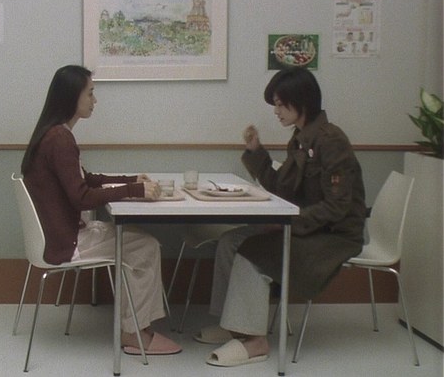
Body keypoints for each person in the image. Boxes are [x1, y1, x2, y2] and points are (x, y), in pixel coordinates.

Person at [198, 67, 366, 367]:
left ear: (301, 101)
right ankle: (232, 325)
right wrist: (255, 151)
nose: (276, 111)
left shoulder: (331, 140)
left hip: (332, 236)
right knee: (230, 241)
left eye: (280, 104)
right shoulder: (301, 140)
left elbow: (337, 207)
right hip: (306, 227)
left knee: (252, 251)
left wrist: (289, 222)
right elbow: (282, 189)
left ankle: (254, 341)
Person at [20, 65, 181, 356]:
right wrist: (135, 191)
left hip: (59, 235)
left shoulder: (53, 134)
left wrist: (132, 180)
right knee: (145, 246)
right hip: (67, 241)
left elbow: (87, 179)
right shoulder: (60, 139)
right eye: (90, 93)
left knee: (137, 241)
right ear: (72, 97)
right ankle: (134, 333)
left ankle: (133, 326)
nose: (95, 100)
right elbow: (82, 197)